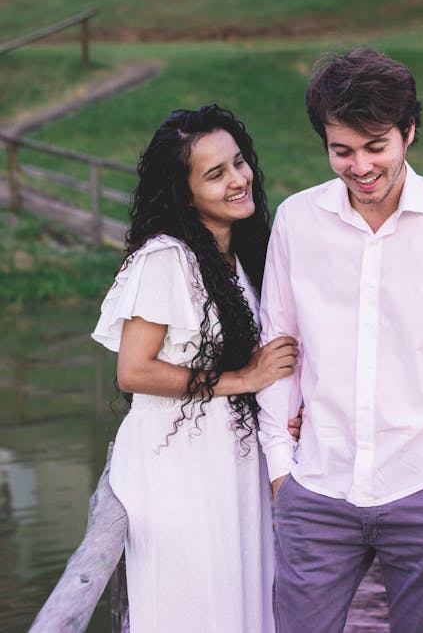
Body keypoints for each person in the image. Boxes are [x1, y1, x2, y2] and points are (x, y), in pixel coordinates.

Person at [257, 48, 423, 633]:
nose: (360, 166)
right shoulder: (295, 221)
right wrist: (280, 469)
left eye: (376, 147)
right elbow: (278, 345)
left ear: (409, 132)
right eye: (342, 150)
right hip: (314, 488)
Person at [91, 104, 298, 633]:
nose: (238, 179)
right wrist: (242, 380)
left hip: (231, 470)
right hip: (178, 477)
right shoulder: (166, 259)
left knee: (243, 608)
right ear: (185, 194)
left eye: (238, 162)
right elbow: (133, 372)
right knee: (196, 611)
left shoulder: (236, 259)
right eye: (216, 173)